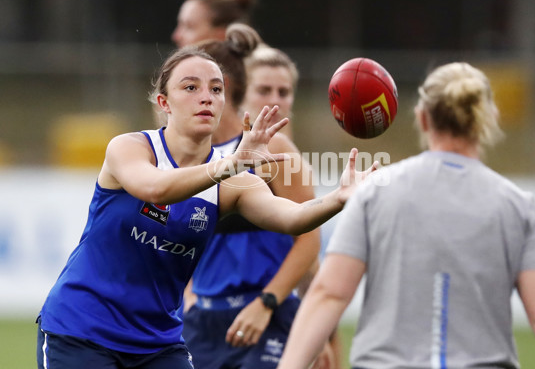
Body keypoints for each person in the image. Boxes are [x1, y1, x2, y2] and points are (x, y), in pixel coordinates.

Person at [36, 44, 377, 369]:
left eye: (216, 89)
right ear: (163, 102)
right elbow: (155, 188)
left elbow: (293, 218)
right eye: (190, 87)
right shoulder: (131, 148)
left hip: (156, 342)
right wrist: (229, 165)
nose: (206, 97)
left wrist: (339, 198)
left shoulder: (233, 181)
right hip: (81, 329)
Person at [277, 62, 535, 369]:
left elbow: (329, 294)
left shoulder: (375, 193)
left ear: (422, 118)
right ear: (489, 119)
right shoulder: (517, 206)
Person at [179, 23, 335, 369]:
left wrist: (271, 305)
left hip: (264, 315)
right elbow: (183, 233)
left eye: (284, 91)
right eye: (265, 89)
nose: (275, 100)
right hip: (203, 320)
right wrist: (188, 295)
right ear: (242, 92)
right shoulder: (199, 153)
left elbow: (309, 245)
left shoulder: (280, 153)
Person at [172, 0, 258, 48]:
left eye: (190, 27)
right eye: (180, 24)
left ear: (223, 35)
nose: (176, 36)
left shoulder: (257, 70)